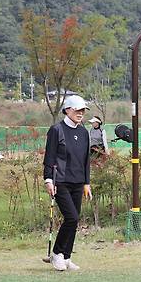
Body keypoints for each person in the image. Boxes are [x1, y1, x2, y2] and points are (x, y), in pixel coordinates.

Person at [43, 95, 93, 271]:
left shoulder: (84, 132)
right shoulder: (56, 130)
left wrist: (87, 182)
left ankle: (66, 256)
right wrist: (48, 179)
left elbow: (86, 160)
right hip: (61, 180)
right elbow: (49, 156)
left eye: (82, 110)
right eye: (77, 110)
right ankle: (57, 253)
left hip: (78, 182)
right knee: (71, 217)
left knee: (75, 220)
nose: (80, 113)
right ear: (67, 110)